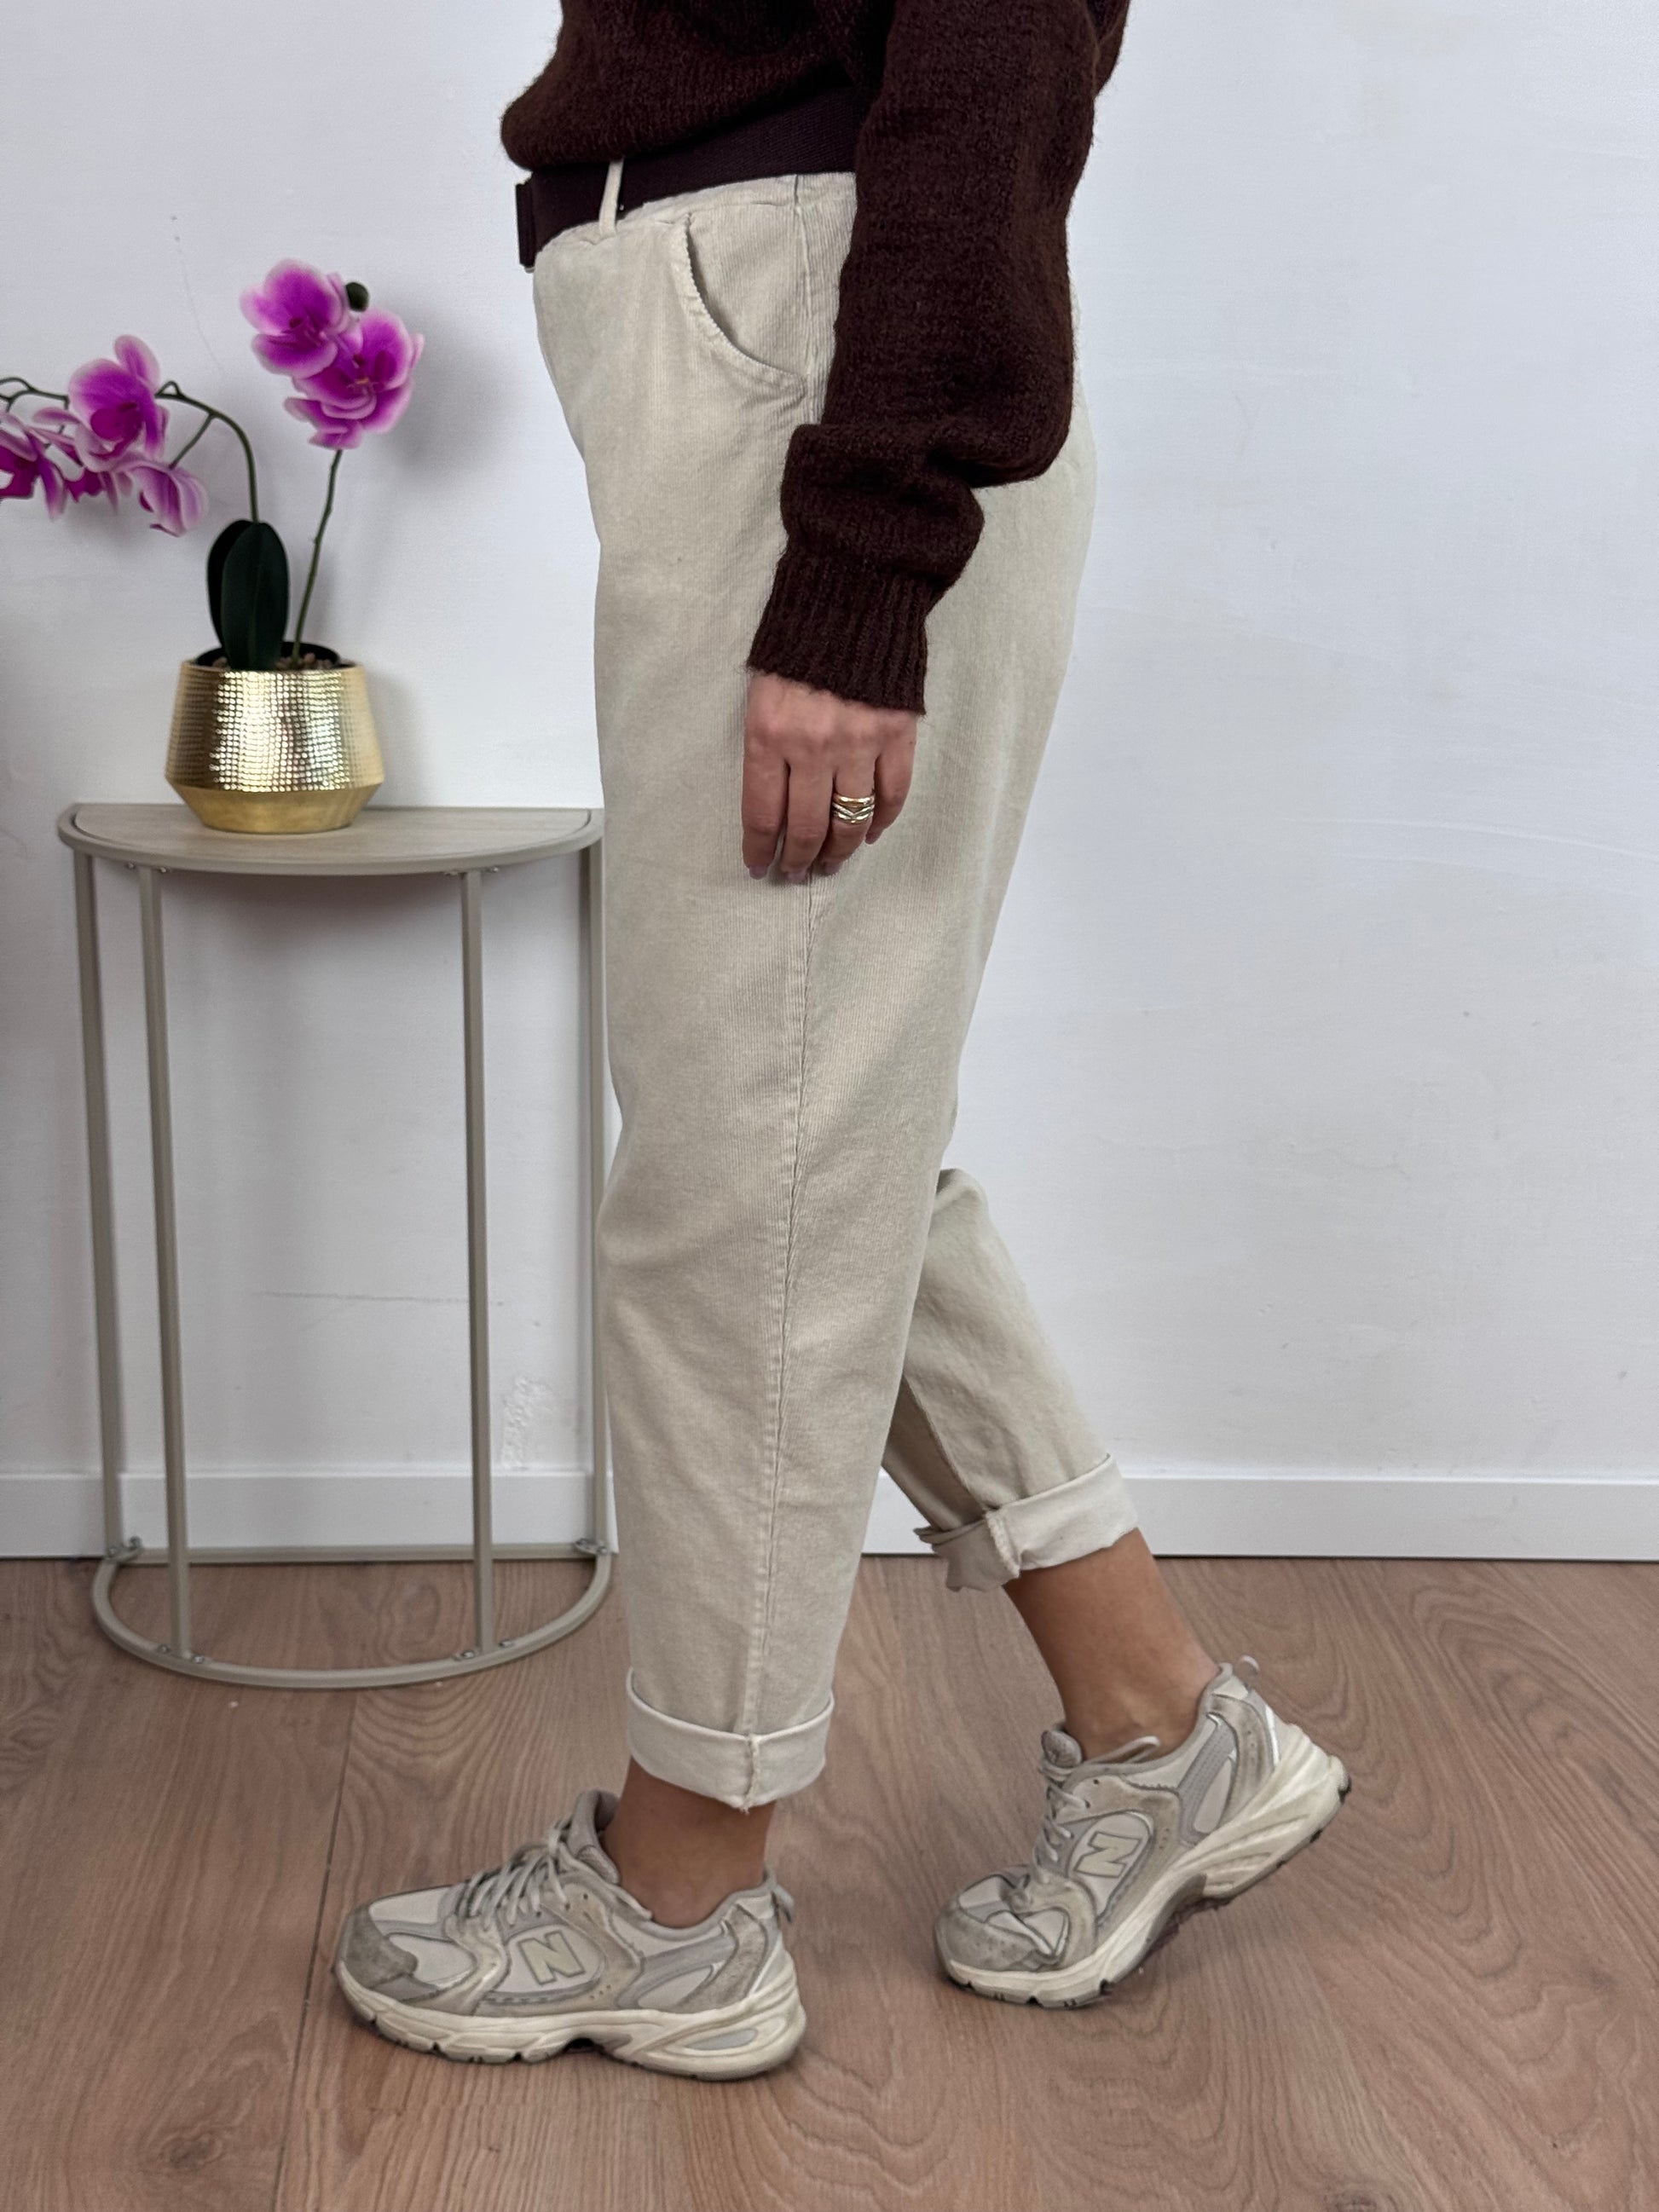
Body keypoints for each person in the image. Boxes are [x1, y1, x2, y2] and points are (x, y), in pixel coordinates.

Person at [334, 0, 1347, 2077]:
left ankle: (680, 1895)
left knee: (751, 1173)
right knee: (814, 1131)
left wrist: (861, 569)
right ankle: (1162, 1721)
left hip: (809, 358)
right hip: (752, 336)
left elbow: (994, 37)